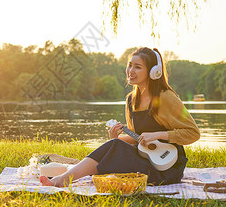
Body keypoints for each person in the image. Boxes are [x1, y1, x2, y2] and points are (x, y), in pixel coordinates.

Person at [40, 47, 200, 187]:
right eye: (130, 65)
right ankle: (65, 178)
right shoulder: (131, 100)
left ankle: (62, 180)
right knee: (115, 144)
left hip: (166, 167)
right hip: (145, 160)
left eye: (137, 67)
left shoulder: (166, 98)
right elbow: (137, 138)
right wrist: (115, 138)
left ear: (153, 72)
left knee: (114, 149)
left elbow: (193, 133)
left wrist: (158, 135)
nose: (131, 71)